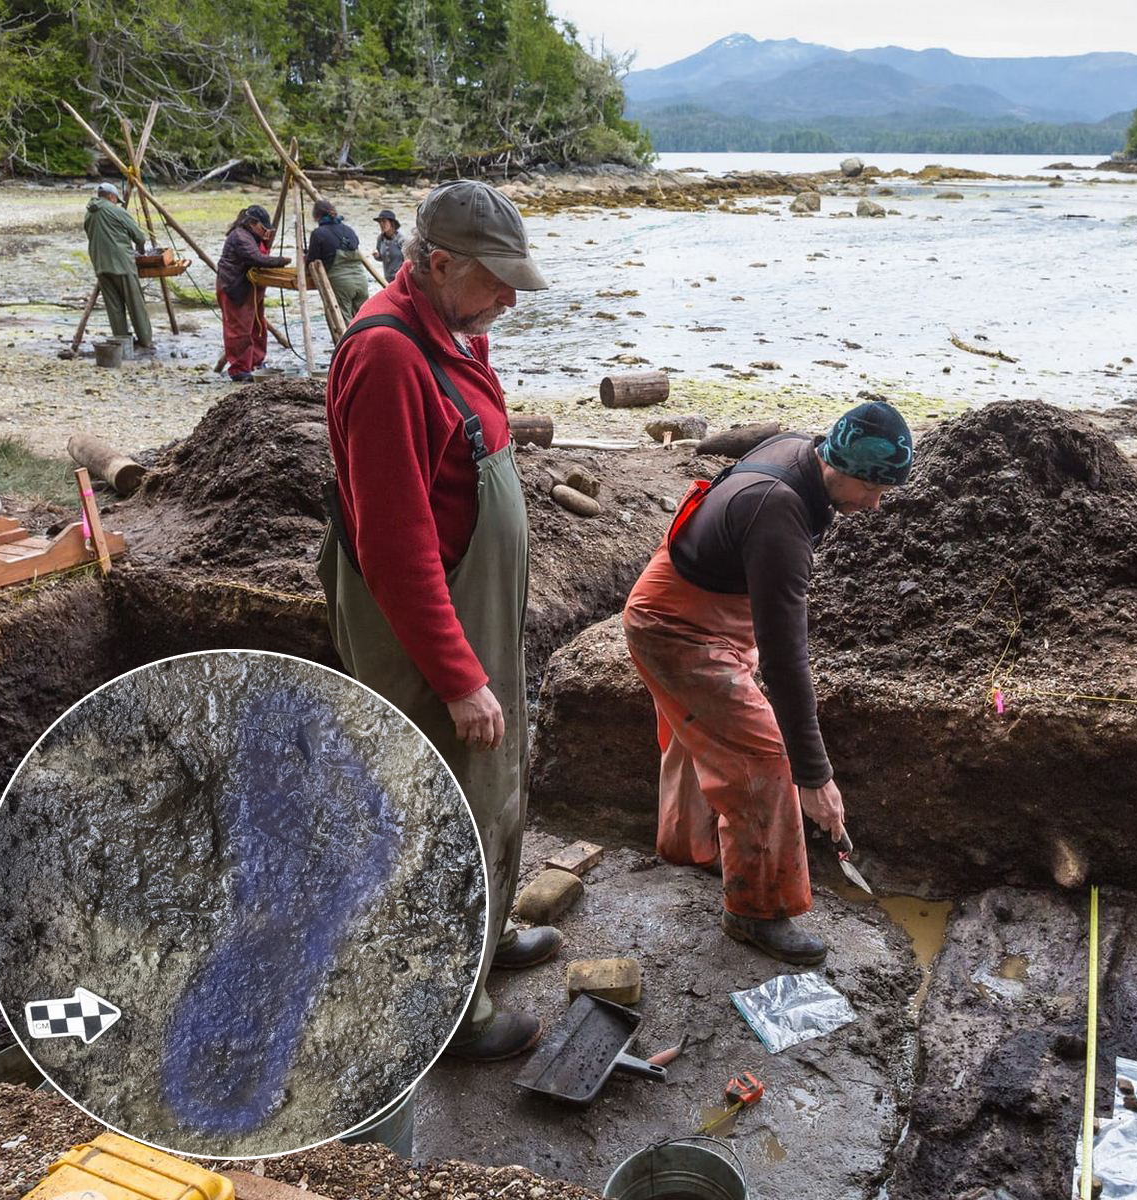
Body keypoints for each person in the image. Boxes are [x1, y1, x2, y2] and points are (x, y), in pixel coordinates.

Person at [319, 179, 557, 1062]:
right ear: (438, 261)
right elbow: (396, 546)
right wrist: (458, 676)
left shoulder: (455, 332)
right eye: (496, 279)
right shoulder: (385, 357)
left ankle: (486, 941)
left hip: (478, 608)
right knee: (432, 812)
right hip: (424, 631)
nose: (508, 297)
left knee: (492, 785)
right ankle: (449, 1007)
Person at [622, 401, 914, 966]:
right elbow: (786, 661)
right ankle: (756, 910)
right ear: (839, 465)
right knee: (762, 758)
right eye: (873, 488)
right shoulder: (778, 512)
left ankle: (689, 846)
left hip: (694, 609)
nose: (876, 504)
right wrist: (814, 777)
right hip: (676, 628)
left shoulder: (804, 454)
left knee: (701, 733)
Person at [215, 205, 289, 382]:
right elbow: (256, 258)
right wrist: (282, 261)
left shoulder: (253, 235)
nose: (266, 232)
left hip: (251, 288)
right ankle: (239, 369)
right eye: (263, 228)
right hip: (234, 288)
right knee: (239, 330)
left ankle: (256, 362)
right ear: (253, 223)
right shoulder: (240, 236)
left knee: (257, 326)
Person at [83, 182, 152, 353]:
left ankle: (122, 343)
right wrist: (140, 252)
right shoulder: (117, 211)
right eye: (116, 200)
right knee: (135, 304)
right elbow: (139, 237)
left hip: (100, 264)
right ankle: (146, 341)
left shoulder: (88, 214)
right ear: (112, 197)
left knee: (114, 306)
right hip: (122, 264)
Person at [307, 199, 374, 322]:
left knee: (344, 324)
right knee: (364, 320)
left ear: (316, 216)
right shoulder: (349, 230)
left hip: (341, 284)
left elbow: (312, 261)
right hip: (361, 281)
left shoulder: (318, 233)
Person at [374, 209, 405, 281]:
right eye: (380, 222)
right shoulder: (380, 239)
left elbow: (408, 262)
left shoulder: (401, 239)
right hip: (387, 279)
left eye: (384, 221)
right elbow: (381, 258)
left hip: (401, 279)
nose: (381, 224)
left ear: (392, 223)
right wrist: (377, 256)